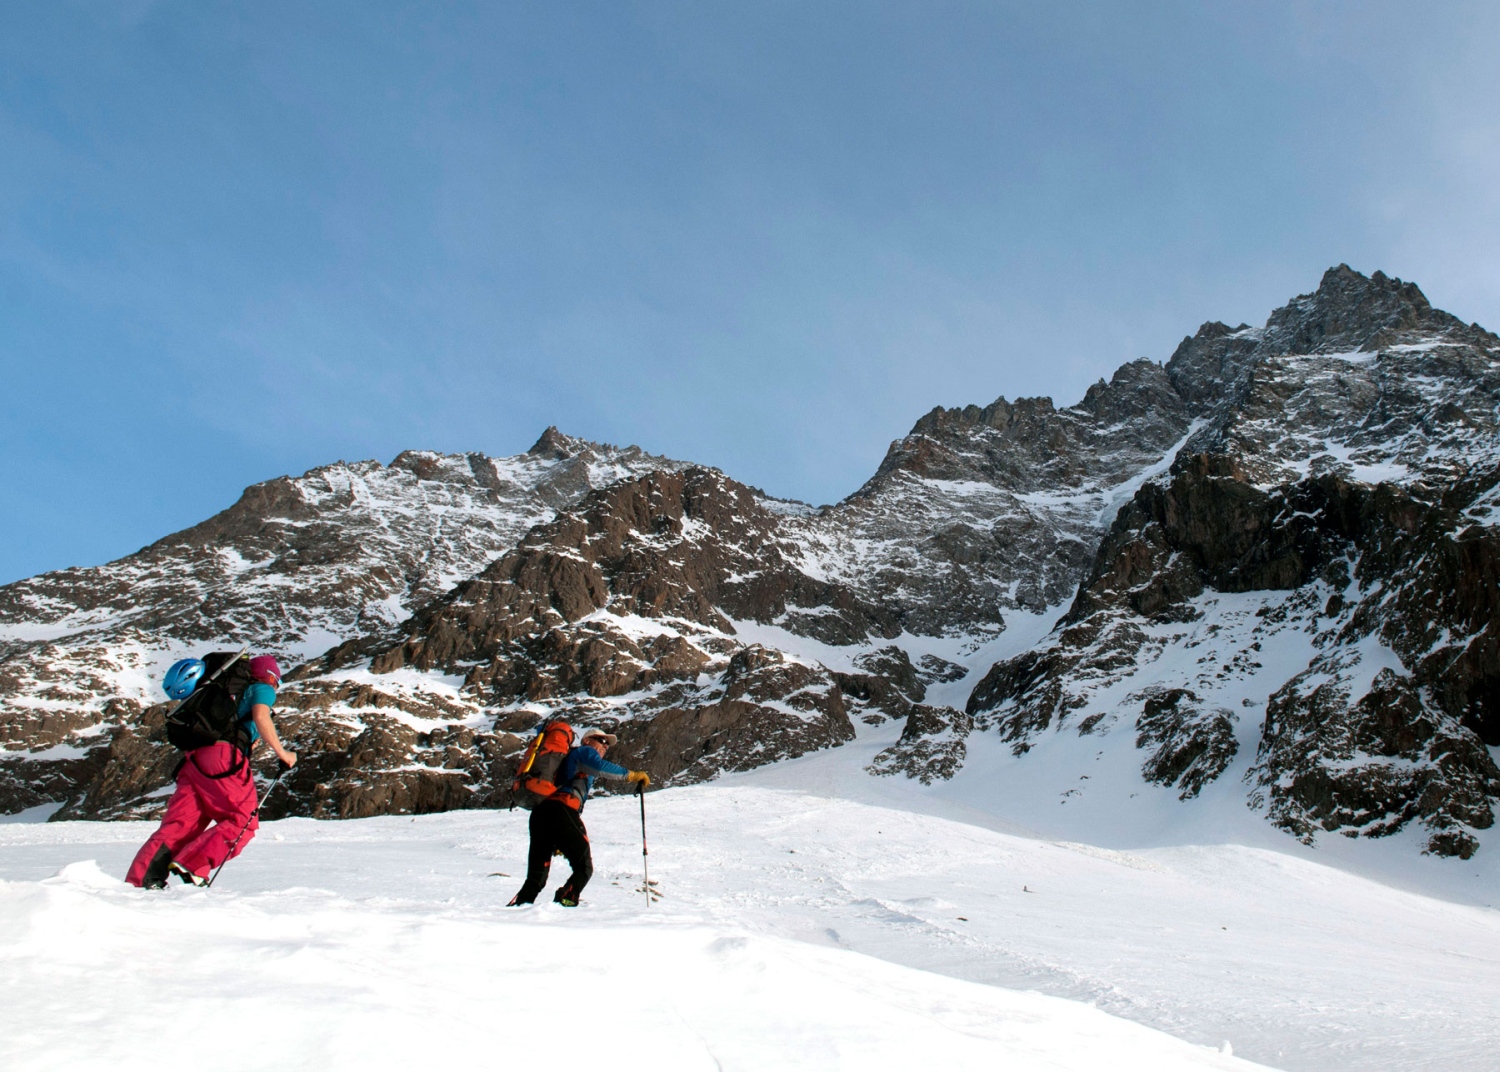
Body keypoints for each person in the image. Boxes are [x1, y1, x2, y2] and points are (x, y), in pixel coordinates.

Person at [126, 654, 298, 888]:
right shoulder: (262, 687)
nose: (276, 686)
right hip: (222, 761)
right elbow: (260, 716)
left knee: (180, 826)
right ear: (271, 676)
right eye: (277, 680)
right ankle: (193, 864)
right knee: (242, 821)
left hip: (194, 762)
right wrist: (283, 753)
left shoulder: (226, 697)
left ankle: (141, 881)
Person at [508, 727, 649, 907]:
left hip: (541, 814)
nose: (604, 746)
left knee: (536, 877)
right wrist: (632, 775)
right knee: (584, 868)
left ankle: (517, 910)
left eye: (607, 745)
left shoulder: (572, 759)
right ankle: (564, 905)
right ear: (587, 741)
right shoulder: (584, 752)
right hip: (560, 810)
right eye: (600, 740)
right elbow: (599, 766)